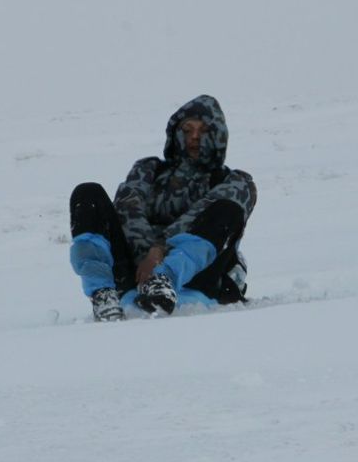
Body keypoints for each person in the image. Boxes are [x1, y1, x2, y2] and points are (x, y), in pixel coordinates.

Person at [69, 95, 258, 321]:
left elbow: (200, 212)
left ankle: (164, 281)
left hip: (196, 279)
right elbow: (128, 208)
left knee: (227, 210)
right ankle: (103, 294)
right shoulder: (148, 169)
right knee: (87, 193)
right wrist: (146, 258)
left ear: (218, 135)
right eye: (187, 130)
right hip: (136, 276)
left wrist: (160, 255)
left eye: (204, 130)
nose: (195, 137)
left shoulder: (236, 181)